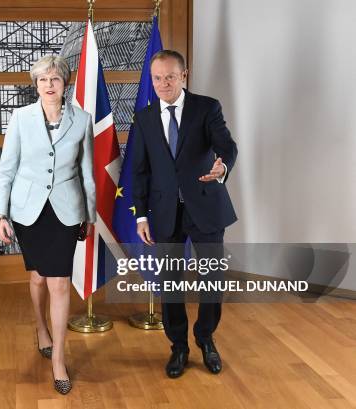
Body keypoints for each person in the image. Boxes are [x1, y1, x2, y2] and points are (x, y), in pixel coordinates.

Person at [0, 55, 96, 394]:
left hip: (66, 211)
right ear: (35, 85)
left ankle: (59, 360)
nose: (49, 85)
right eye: (42, 80)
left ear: (65, 83)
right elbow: (6, 169)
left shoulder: (82, 120)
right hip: (28, 212)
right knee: (37, 276)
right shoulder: (20, 118)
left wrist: (90, 215)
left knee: (59, 283)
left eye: (54, 79)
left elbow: (88, 173)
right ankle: (40, 327)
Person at [131, 50, 238, 378]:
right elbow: (139, 170)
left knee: (211, 280)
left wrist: (221, 167)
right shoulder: (145, 118)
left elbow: (227, 147)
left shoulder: (207, 108)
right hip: (164, 214)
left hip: (206, 207)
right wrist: (141, 216)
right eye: (157, 78)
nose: (163, 84)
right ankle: (178, 345)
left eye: (170, 77)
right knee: (170, 284)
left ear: (184, 75)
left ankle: (205, 338)